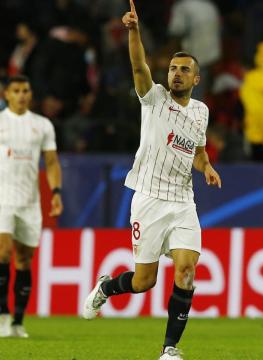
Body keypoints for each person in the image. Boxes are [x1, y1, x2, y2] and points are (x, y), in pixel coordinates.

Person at [82, 1, 222, 359]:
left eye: (184, 70)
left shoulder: (202, 112)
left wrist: (205, 167)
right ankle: (106, 288)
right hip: (148, 198)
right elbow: (138, 64)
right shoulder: (155, 98)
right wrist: (134, 31)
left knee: (187, 271)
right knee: (145, 282)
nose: (176, 73)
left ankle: (169, 349)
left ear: (196, 78)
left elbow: (199, 150)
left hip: (183, 202)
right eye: (173, 68)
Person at [0, 75, 63, 338]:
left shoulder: (42, 125)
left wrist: (56, 192)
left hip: (29, 201)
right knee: (3, 251)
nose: (22, 95)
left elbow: (52, 162)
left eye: (26, 90)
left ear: (30, 95)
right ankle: (2, 313)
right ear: (7, 95)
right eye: (17, 91)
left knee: (24, 259)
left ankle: (18, 321)